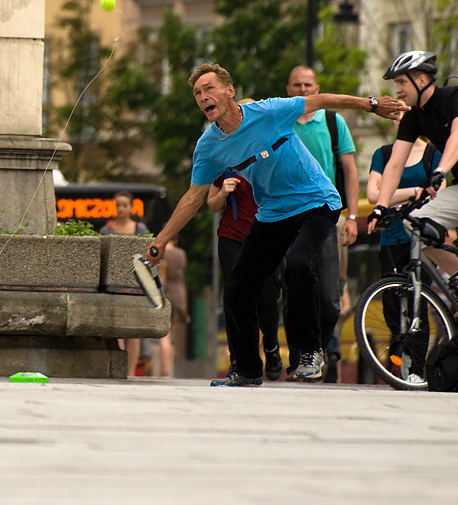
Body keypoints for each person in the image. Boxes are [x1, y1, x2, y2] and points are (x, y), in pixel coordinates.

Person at [147, 62, 406, 387]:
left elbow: (321, 99)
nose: (203, 97)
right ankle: (247, 369)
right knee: (238, 287)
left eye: (209, 88)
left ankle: (310, 351)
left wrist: (371, 104)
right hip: (272, 212)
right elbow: (193, 197)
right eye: (198, 93)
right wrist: (161, 240)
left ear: (230, 90)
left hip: (316, 201)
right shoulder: (209, 146)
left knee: (299, 264)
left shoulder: (268, 111)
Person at [368, 51, 458, 295]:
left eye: (401, 82)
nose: (397, 90)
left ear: (422, 80)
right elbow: (395, 164)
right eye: (396, 84)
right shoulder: (413, 118)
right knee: (415, 225)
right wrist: (380, 207)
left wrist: (440, 171)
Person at [287, 66, 358, 383]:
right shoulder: (282, 121)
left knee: (330, 298)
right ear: (288, 90)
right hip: (287, 214)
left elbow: (351, 170)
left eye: (308, 85)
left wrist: (352, 216)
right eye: (297, 85)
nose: (303, 90)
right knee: (293, 289)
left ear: (318, 89)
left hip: (327, 213)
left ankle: (318, 346)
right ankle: (304, 356)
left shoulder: (333, 122)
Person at [367, 123, 442, 383]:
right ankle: (401, 355)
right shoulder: (384, 154)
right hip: (391, 234)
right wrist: (415, 192)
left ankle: (416, 369)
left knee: (418, 304)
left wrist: (390, 197)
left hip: (420, 237)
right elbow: (373, 195)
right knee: (390, 303)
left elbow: (438, 195)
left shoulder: (432, 153)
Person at [208, 169, 283, 381]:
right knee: (235, 298)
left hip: (266, 236)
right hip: (232, 237)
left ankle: (271, 346)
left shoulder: (270, 159)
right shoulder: (226, 164)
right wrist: (223, 192)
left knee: (267, 299)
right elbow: (212, 204)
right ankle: (238, 360)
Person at [100, 191, 152, 376]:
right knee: (117, 329)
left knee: (134, 330)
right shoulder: (106, 230)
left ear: (131, 207)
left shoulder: (141, 229)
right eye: (118, 205)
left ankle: (130, 371)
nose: (121, 209)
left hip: (136, 284)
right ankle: (119, 370)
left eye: (124, 205)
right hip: (113, 285)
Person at [158, 238, 189, 378]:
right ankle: (170, 367)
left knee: (164, 336)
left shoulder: (161, 254)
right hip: (179, 295)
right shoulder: (181, 254)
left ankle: (165, 370)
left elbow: (161, 277)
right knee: (172, 334)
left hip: (166, 295)